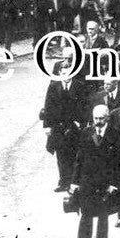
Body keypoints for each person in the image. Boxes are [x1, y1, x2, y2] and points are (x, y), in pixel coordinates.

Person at [69, 105, 120, 238]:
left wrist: (114, 184)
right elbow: (79, 159)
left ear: (108, 118)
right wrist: (74, 182)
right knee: (85, 217)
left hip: (106, 183)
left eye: (101, 118)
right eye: (95, 118)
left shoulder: (115, 134)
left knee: (103, 217)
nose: (98, 121)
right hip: (87, 183)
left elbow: (119, 163)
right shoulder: (86, 133)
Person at [42, 48, 91, 192]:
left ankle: (74, 182)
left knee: (75, 154)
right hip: (58, 127)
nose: (66, 76)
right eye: (63, 74)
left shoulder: (79, 86)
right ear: (60, 74)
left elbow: (85, 107)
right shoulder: (53, 87)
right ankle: (63, 181)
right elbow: (48, 106)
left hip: (74, 126)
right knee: (61, 155)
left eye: (69, 73)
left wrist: (82, 123)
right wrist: (47, 126)